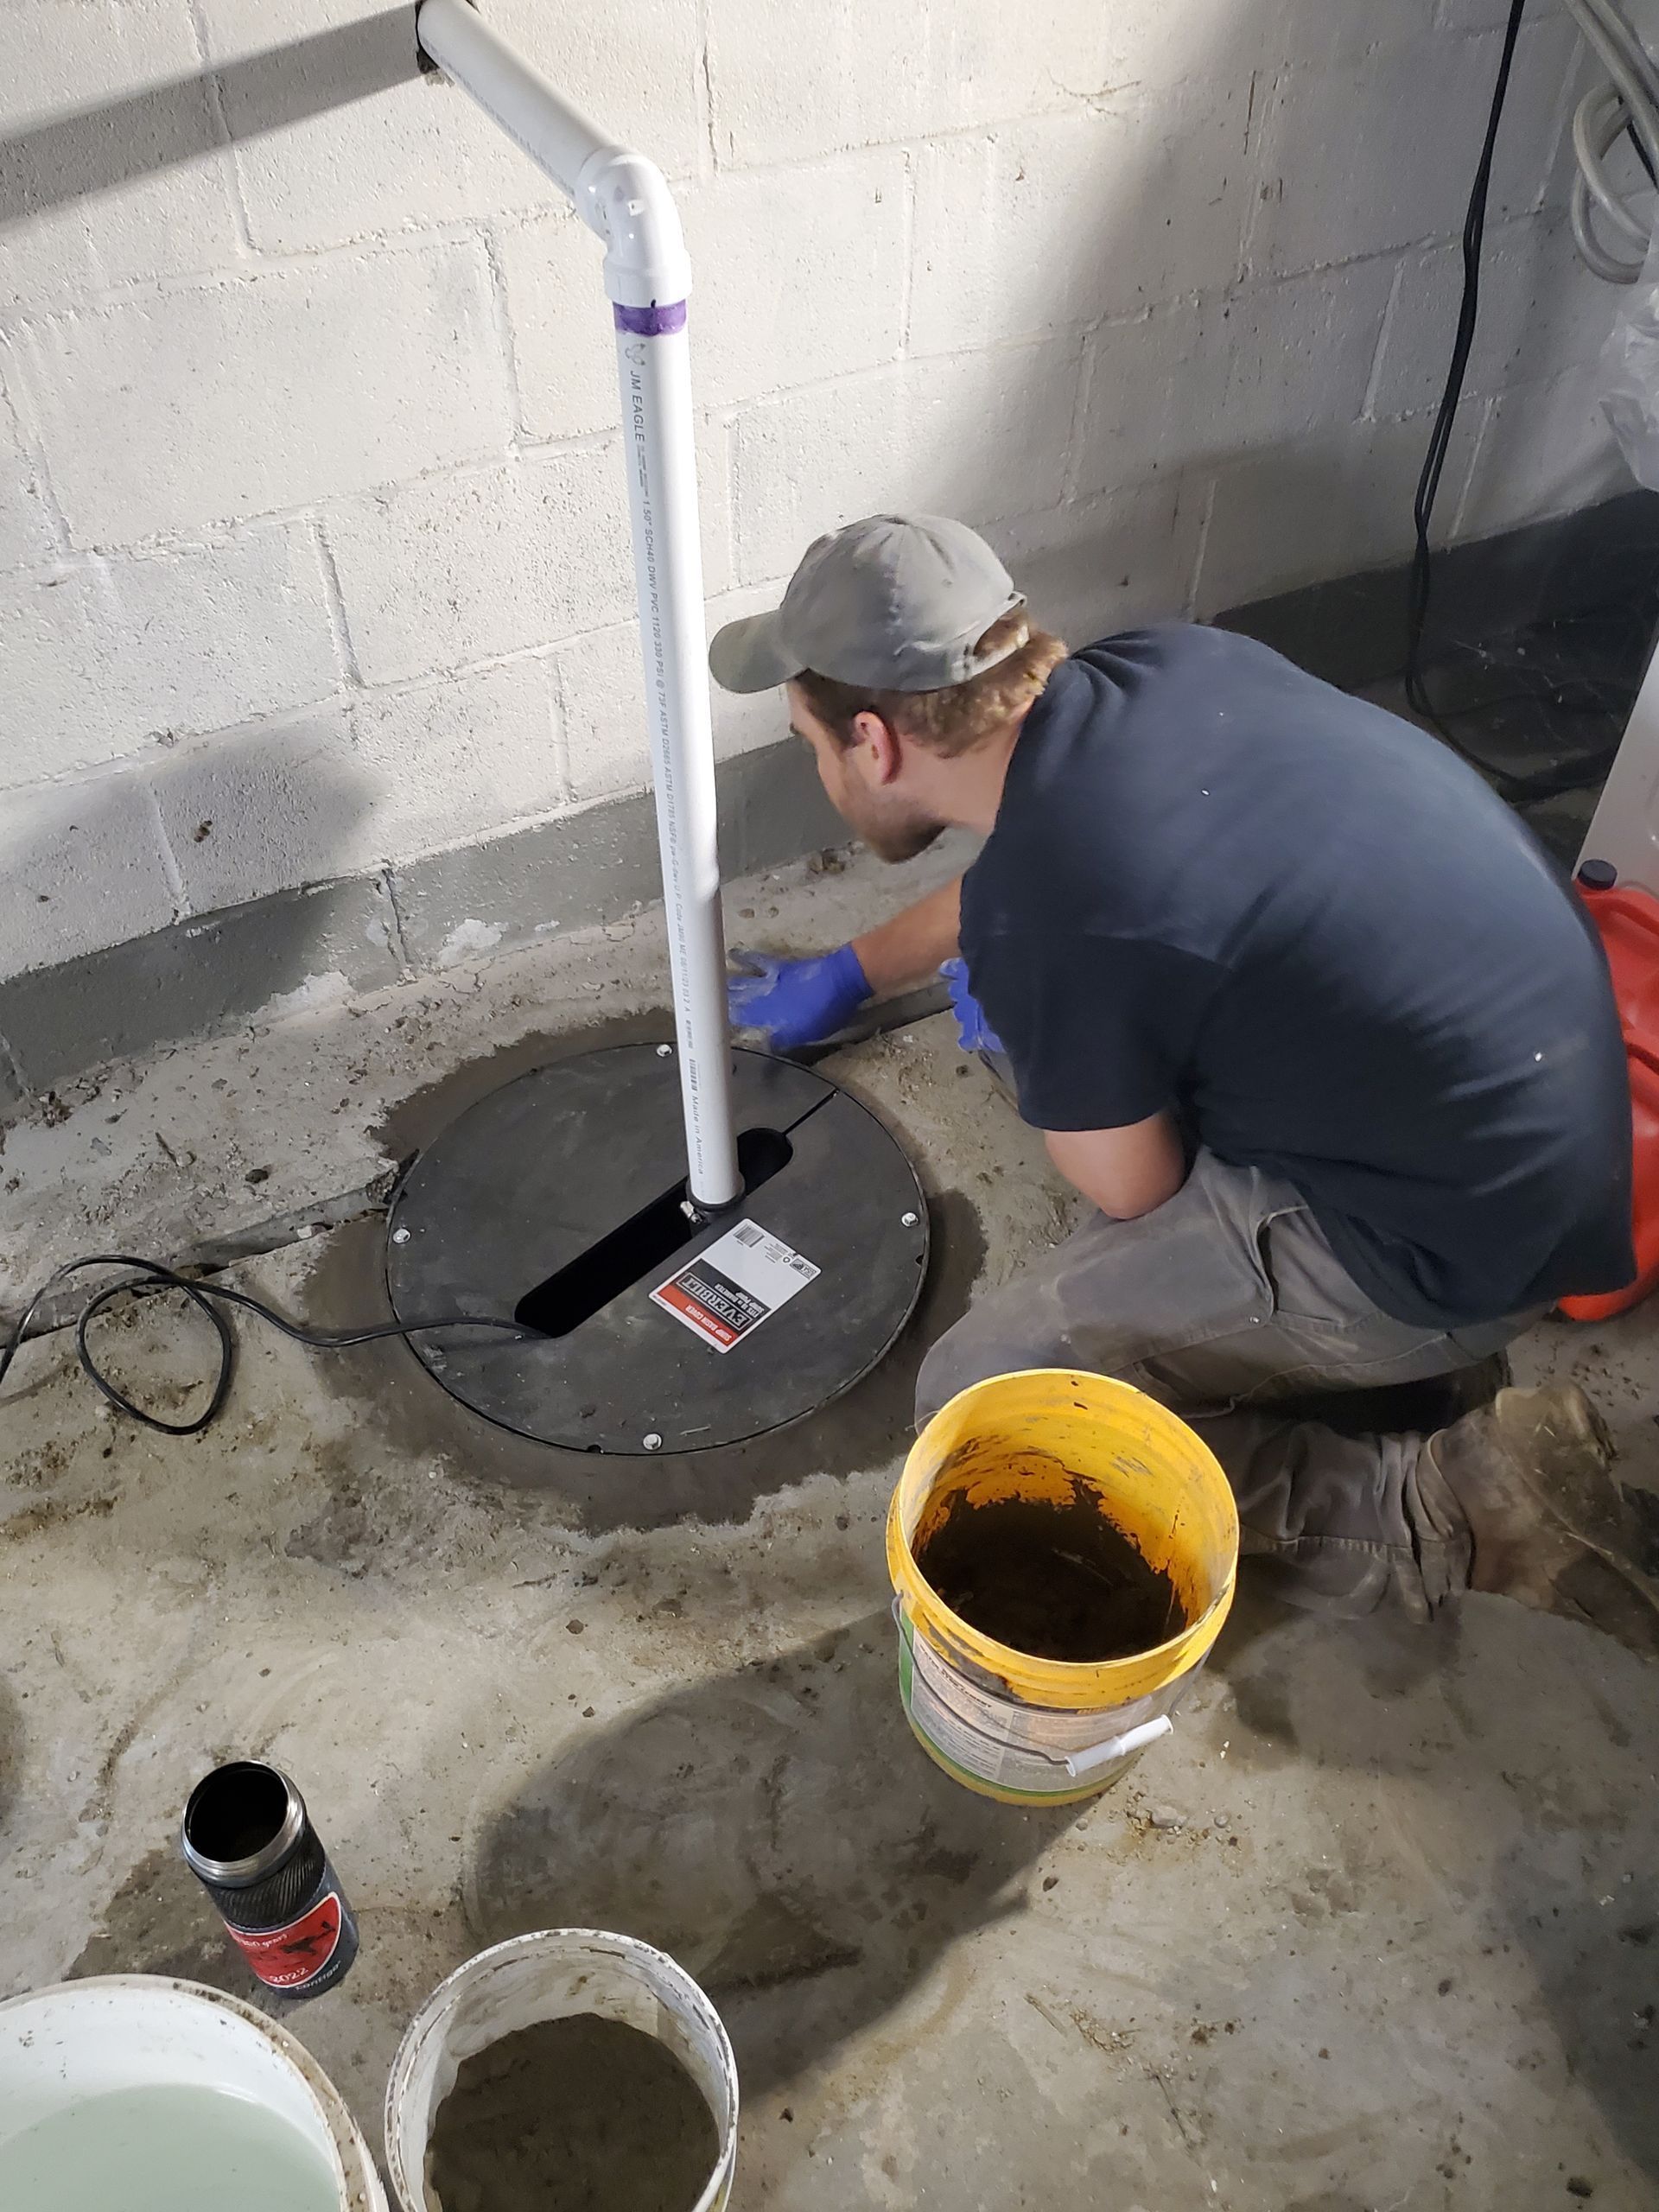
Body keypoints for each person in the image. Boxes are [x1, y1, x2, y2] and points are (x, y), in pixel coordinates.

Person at [708, 512, 1659, 1650]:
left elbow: (1131, 1186)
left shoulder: (1061, 908)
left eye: (811, 743)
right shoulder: (1159, 666)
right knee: (1045, 1039)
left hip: (1455, 1249)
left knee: (986, 1402)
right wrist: (853, 972)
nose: (820, 769)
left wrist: (1027, 1010)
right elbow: (1037, 885)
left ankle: (1447, 1511)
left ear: (875, 741)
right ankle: (1355, 1371)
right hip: (1543, 1107)